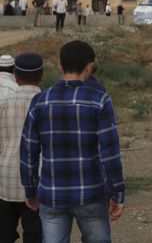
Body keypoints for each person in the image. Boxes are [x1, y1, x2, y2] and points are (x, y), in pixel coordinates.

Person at [21, 40, 124, 242]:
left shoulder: (40, 101)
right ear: (90, 66)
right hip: (91, 193)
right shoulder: (99, 100)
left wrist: (30, 189)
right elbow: (110, 152)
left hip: (52, 194)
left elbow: (28, 151)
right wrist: (117, 192)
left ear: (60, 66)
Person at [0, 53, 44, 243]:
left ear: (15, 75)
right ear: (41, 75)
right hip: (40, 179)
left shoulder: (5, 103)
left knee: (4, 233)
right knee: (34, 234)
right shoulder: (46, 102)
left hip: (6, 179)